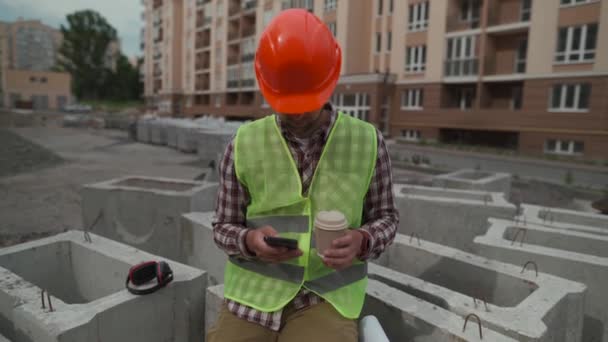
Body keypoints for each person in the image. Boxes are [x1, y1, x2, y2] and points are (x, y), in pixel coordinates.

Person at [208, 9, 398, 342]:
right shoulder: (243, 143)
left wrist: (362, 241)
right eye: (287, 102)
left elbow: (386, 218)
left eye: (305, 102)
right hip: (256, 291)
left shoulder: (368, 141)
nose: (295, 112)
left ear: (331, 79)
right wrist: (250, 242)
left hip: (327, 294)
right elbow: (223, 227)